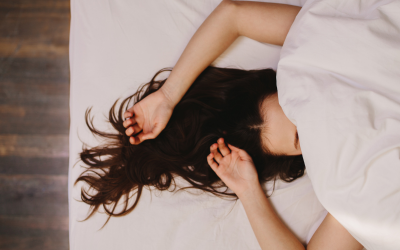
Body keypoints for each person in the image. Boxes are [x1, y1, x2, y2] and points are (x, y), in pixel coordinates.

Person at [77, 1, 363, 249]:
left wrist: (167, 95)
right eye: (301, 136)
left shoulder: (325, 42)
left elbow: (233, 15)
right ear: (299, 157)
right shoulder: (355, 176)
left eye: (295, 105)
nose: (315, 116)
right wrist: (249, 192)